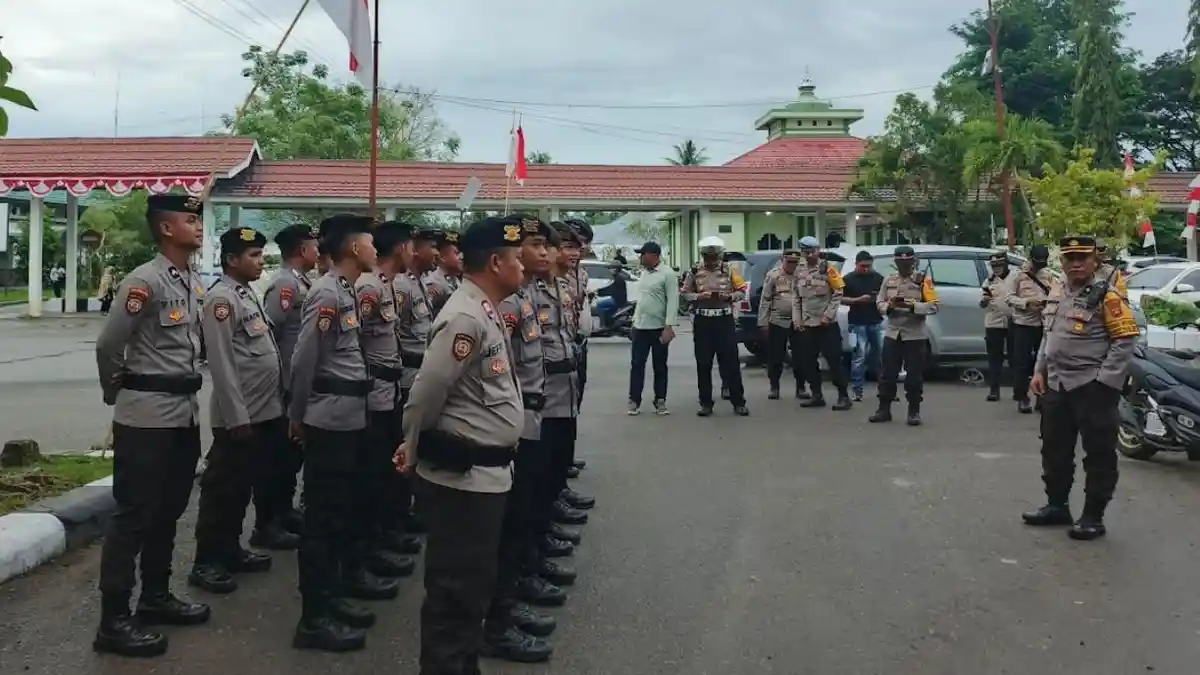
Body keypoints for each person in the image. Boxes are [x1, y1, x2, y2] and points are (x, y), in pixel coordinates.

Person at [393, 215, 528, 675]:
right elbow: (426, 393)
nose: (522, 266)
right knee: (454, 596)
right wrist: (412, 446)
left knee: (471, 593)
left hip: (486, 478)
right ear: (495, 263)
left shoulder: (484, 308)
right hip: (463, 482)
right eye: (516, 258)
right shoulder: (465, 316)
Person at [93, 194, 210, 658]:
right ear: (165, 228)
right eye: (189, 219)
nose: (198, 226)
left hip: (183, 413)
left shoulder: (191, 279)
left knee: (168, 510)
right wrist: (115, 393)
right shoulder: (144, 280)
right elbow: (109, 345)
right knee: (133, 516)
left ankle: (155, 596)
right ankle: (114, 620)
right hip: (146, 417)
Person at [289, 213, 392, 652]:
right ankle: (313, 620)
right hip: (329, 419)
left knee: (340, 514)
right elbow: (303, 360)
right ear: (353, 248)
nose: (375, 249)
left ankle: (331, 598)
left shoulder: (347, 290)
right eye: (370, 242)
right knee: (323, 520)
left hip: (349, 416)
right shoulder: (328, 293)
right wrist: (297, 416)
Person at [1022, 236, 1138, 540]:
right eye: (1069, 258)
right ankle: (1057, 506)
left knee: (1098, 454)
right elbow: (1049, 335)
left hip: (1091, 386)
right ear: (1062, 262)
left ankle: (1093, 517)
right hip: (1056, 384)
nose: (1075, 264)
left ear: (1094, 261)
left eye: (1082, 258)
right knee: (1054, 450)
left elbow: (1125, 341)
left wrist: (1105, 382)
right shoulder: (1058, 292)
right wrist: (1039, 371)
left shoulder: (1108, 296)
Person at [188, 227, 279, 595]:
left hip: (261, 411)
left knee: (241, 489)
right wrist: (236, 416)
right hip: (238, 416)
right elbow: (222, 363)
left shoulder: (245, 293)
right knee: (222, 492)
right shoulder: (221, 299)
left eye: (260, 254)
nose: (260, 261)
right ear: (231, 260)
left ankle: (230, 550)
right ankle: (207, 562)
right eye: (253, 256)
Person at [484, 216, 558, 662]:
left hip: (530, 420)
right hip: (512, 428)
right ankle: (496, 622)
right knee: (506, 527)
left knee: (522, 517)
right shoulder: (505, 306)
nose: (544, 252)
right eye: (533, 245)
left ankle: (509, 605)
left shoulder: (527, 295)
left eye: (545, 245)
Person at [354, 221, 421, 579]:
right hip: (371, 395)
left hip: (389, 391)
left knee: (385, 471)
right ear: (399, 249)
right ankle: (367, 548)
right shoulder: (368, 287)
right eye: (410, 246)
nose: (413, 252)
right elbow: (352, 342)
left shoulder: (387, 284)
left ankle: (381, 536)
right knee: (370, 476)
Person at [260, 223, 321, 542]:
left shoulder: (303, 282)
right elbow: (270, 334)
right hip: (285, 383)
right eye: (314, 246)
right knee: (277, 458)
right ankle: (267, 523)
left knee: (291, 455)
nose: (318, 252)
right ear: (301, 250)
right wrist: (282, 381)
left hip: (298, 384)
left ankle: (284, 511)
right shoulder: (285, 284)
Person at [393, 226, 440, 534]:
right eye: (430, 247)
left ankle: (408, 510)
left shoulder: (417, 282)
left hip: (418, 372)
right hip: (406, 376)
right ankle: (395, 517)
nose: (435, 253)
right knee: (403, 448)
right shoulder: (400, 286)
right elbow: (390, 335)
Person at [869, 245, 939, 426]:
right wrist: (889, 307)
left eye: (907, 261)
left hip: (914, 334)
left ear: (913, 261)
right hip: (893, 333)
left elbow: (934, 306)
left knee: (914, 375)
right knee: (887, 374)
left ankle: (914, 411)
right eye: (900, 261)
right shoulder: (889, 279)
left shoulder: (923, 281)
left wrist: (913, 306)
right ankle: (884, 409)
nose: (904, 264)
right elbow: (879, 301)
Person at [680, 236, 749, 417]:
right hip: (703, 321)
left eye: (713, 257)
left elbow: (742, 291)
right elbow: (685, 293)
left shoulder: (729, 270)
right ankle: (706, 403)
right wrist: (699, 297)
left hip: (723, 320)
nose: (710, 260)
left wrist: (729, 297)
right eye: (707, 257)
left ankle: (738, 402)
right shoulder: (694, 271)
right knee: (703, 363)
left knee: (731, 362)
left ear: (719, 255)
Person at [793, 236, 851, 410]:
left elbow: (838, 292)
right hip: (807, 324)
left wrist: (829, 315)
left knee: (834, 361)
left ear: (818, 250)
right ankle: (816, 395)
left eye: (812, 251)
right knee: (808, 361)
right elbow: (796, 297)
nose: (809, 255)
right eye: (806, 252)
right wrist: (797, 319)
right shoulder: (799, 271)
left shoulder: (828, 269)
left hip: (826, 324)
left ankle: (843, 396)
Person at [627, 241, 678, 415]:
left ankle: (660, 400)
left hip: (658, 328)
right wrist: (634, 321)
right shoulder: (644, 274)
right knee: (637, 364)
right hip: (640, 327)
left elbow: (672, 301)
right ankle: (634, 400)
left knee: (660, 365)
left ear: (654, 256)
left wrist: (669, 326)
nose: (640, 258)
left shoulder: (667, 274)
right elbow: (642, 301)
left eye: (643, 255)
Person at [1006, 244, 1054, 414]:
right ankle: (1022, 397)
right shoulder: (1017, 275)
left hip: (1042, 324)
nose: (1040, 265)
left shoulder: (1047, 275)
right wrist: (1026, 303)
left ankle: (1041, 397)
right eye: (1037, 261)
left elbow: (1055, 294)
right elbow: (1009, 298)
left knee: (1043, 362)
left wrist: (1046, 303)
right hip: (1022, 324)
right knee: (1022, 362)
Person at [758, 249, 802, 400]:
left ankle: (801, 387)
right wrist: (763, 322)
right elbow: (765, 300)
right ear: (783, 260)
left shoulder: (802, 274)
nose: (792, 265)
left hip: (798, 321)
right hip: (777, 320)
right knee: (775, 356)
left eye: (795, 262)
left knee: (801, 355)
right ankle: (774, 387)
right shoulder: (773, 275)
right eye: (789, 262)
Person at [842, 250, 885, 402]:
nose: (866, 269)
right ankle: (857, 390)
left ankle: (885, 390)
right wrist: (857, 300)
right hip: (856, 323)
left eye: (868, 266)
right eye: (863, 266)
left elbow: (885, 296)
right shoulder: (848, 279)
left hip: (876, 321)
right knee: (858, 357)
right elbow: (840, 298)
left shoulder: (878, 278)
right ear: (856, 264)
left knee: (882, 356)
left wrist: (878, 300)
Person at [980, 251, 1015, 402]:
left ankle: (1018, 390)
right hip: (994, 322)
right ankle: (994, 390)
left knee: (1016, 357)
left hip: (1014, 321)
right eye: (994, 266)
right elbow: (982, 302)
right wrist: (984, 300)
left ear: (1006, 264)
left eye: (999, 265)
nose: (996, 268)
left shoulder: (1015, 278)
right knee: (994, 358)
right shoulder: (988, 281)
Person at [424, 229, 462, 317]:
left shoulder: (455, 280)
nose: (461, 257)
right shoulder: (433, 283)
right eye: (456, 253)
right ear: (442, 257)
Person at [594, 260, 629, 328]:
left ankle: (603, 325)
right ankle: (610, 324)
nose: (609, 270)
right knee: (607, 311)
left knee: (599, 305)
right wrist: (598, 291)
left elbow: (611, 290)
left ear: (615, 269)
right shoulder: (618, 277)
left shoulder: (619, 278)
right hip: (618, 299)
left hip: (618, 301)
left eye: (610, 268)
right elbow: (611, 288)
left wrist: (598, 292)